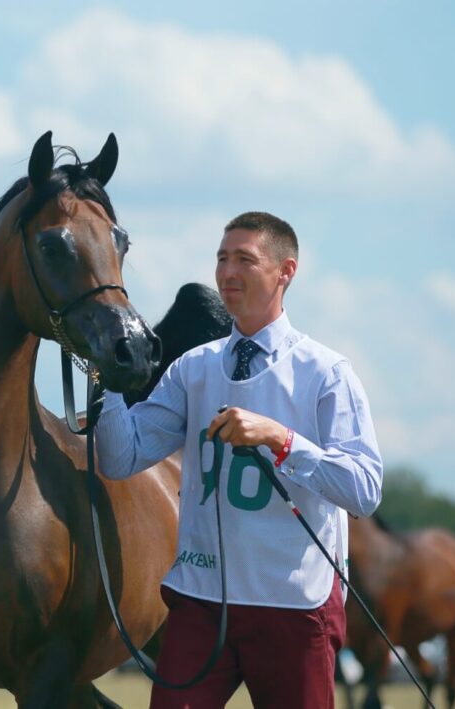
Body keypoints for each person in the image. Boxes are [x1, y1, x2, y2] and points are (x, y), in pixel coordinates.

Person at [95, 211, 383, 709]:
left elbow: (364, 490)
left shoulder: (326, 372)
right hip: (201, 601)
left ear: (285, 271)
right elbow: (123, 458)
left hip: (295, 604)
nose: (227, 272)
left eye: (244, 259)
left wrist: (282, 440)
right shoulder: (193, 367)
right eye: (222, 259)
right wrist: (108, 385)